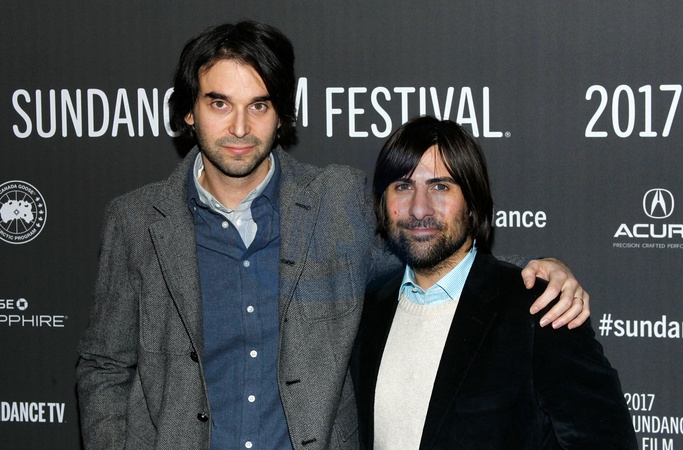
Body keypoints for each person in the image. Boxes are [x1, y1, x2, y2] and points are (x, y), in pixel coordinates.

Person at [76, 21, 590, 450]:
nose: (240, 128)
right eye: (219, 103)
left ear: (282, 115)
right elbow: (104, 365)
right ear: (189, 111)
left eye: (259, 105)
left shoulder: (337, 201)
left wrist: (540, 272)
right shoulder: (136, 220)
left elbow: (431, 251)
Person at [351, 116, 636, 449]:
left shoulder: (541, 309)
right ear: (383, 202)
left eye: (440, 187)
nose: (419, 208)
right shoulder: (367, 310)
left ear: (472, 203)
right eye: (403, 186)